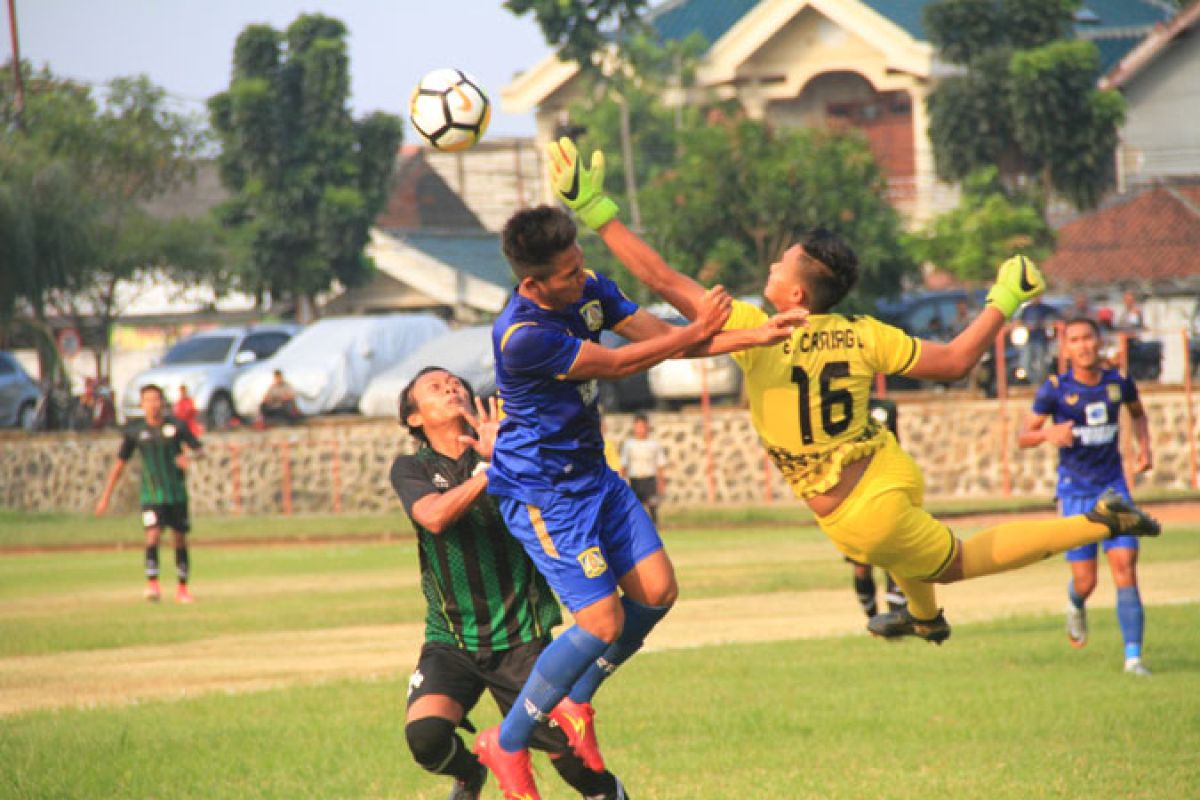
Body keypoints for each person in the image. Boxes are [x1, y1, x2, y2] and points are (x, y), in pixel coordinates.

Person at [545, 137, 1160, 648]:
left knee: (957, 562)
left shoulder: (757, 333)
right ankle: (923, 616)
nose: (770, 270)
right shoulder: (863, 333)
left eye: (779, 266)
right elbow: (954, 361)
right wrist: (1003, 297)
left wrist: (597, 210)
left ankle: (1098, 522)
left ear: (796, 297)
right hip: (888, 467)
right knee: (913, 543)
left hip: (860, 513)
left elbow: (661, 277)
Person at [473, 204, 802, 799]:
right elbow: (622, 363)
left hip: (594, 476)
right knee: (602, 621)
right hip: (544, 493)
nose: (581, 277)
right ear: (531, 283)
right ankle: (508, 741)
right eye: (567, 274)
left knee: (657, 590)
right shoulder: (521, 336)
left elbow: (659, 342)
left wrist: (752, 335)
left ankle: (575, 702)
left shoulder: (590, 287)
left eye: (579, 264)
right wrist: (697, 331)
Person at [390, 367, 628, 800]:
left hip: (522, 637)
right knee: (426, 739)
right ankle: (470, 774)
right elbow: (433, 517)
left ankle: (609, 792)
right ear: (414, 419)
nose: (450, 386)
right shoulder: (412, 467)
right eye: (433, 386)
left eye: (454, 381)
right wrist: (490, 471)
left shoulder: (513, 447)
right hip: (452, 638)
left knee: (577, 766)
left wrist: (509, 456)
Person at [1017, 318, 1155, 675]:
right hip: (1074, 492)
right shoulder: (1055, 390)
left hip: (1114, 489)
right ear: (1065, 348)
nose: (1083, 346)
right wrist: (1049, 433)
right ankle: (1076, 603)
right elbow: (1023, 436)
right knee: (1087, 580)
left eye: (1088, 338)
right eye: (1074, 340)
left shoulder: (1118, 382)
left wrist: (1145, 447)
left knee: (1125, 566)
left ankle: (1134, 658)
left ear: (1099, 341)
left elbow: (1139, 415)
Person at [96, 383, 203, 603]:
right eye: (148, 400)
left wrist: (188, 459)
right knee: (152, 535)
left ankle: (182, 588)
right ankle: (152, 584)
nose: (153, 405)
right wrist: (105, 496)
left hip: (176, 495)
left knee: (179, 539)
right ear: (142, 404)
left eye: (156, 399)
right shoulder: (135, 432)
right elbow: (119, 464)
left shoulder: (177, 427)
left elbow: (199, 450)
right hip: (151, 496)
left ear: (163, 402)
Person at [619, 414, 667, 524]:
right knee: (635, 508)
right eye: (638, 427)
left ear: (647, 427)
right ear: (634, 427)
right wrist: (623, 481)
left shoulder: (653, 444)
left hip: (650, 480)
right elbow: (624, 465)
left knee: (652, 506)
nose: (640, 430)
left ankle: (655, 528)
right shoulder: (629, 445)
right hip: (635, 480)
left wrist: (661, 483)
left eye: (643, 427)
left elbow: (660, 465)